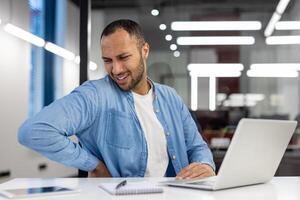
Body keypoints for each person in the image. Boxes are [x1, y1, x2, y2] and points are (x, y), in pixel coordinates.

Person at [18, 19, 215, 179]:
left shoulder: (170, 97)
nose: (116, 69)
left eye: (123, 57)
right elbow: (34, 131)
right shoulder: (95, 95)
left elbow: (196, 146)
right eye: (108, 60)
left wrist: (205, 165)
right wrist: (93, 165)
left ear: (144, 51)